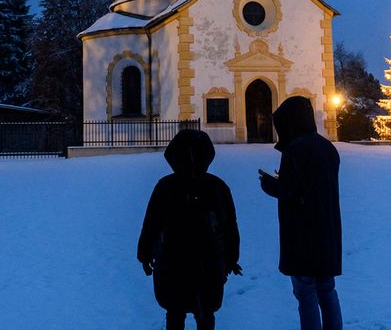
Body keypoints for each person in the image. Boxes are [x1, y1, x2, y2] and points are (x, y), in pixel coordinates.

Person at [138, 129, 242, 329]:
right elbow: (230, 226)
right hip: (208, 263)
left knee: (175, 314)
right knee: (205, 315)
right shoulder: (217, 187)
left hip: (172, 263)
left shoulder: (166, 186)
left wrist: (144, 253)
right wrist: (231, 258)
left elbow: (151, 223)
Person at [259, 96, 343, 330]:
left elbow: (290, 190)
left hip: (302, 234)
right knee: (327, 290)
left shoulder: (295, 149)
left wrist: (269, 184)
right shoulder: (327, 147)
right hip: (327, 230)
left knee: (306, 294)